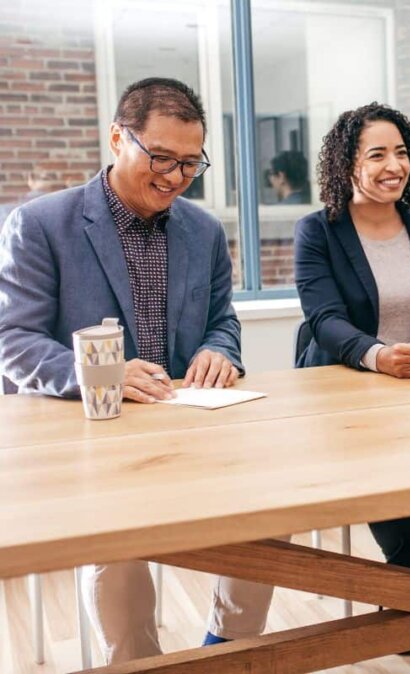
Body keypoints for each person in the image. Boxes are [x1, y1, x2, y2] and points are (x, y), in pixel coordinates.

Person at [202, 102, 410, 644]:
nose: (393, 165)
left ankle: (403, 591)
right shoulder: (318, 231)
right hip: (349, 392)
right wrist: (378, 355)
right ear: (347, 165)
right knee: (387, 484)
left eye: (401, 152)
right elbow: (324, 320)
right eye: (377, 154)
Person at [0, 77, 243, 663]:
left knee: (278, 516)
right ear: (117, 138)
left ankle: (232, 645)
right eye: (159, 156)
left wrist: (221, 351)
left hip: (190, 428)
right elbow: (12, 340)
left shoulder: (204, 230)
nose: (174, 177)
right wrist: (98, 376)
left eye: (190, 163)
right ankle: (138, 663)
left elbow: (223, 320)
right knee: (119, 542)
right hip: (95, 439)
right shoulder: (41, 224)